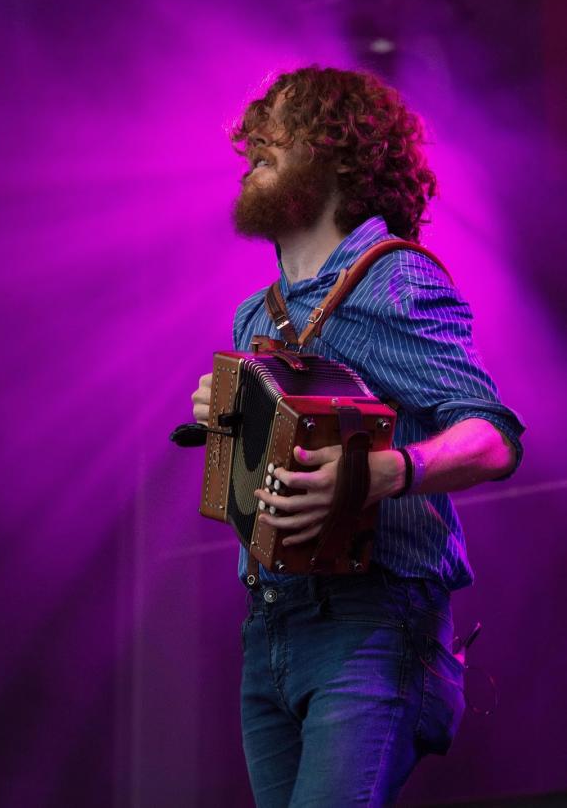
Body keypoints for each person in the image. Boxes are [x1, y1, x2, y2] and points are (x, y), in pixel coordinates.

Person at [190, 67, 524, 807]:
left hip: (373, 624)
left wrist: (384, 472)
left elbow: (493, 436)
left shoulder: (395, 279)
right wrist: (229, 419)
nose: (253, 146)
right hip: (272, 627)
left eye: (279, 130)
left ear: (337, 155)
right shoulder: (256, 315)